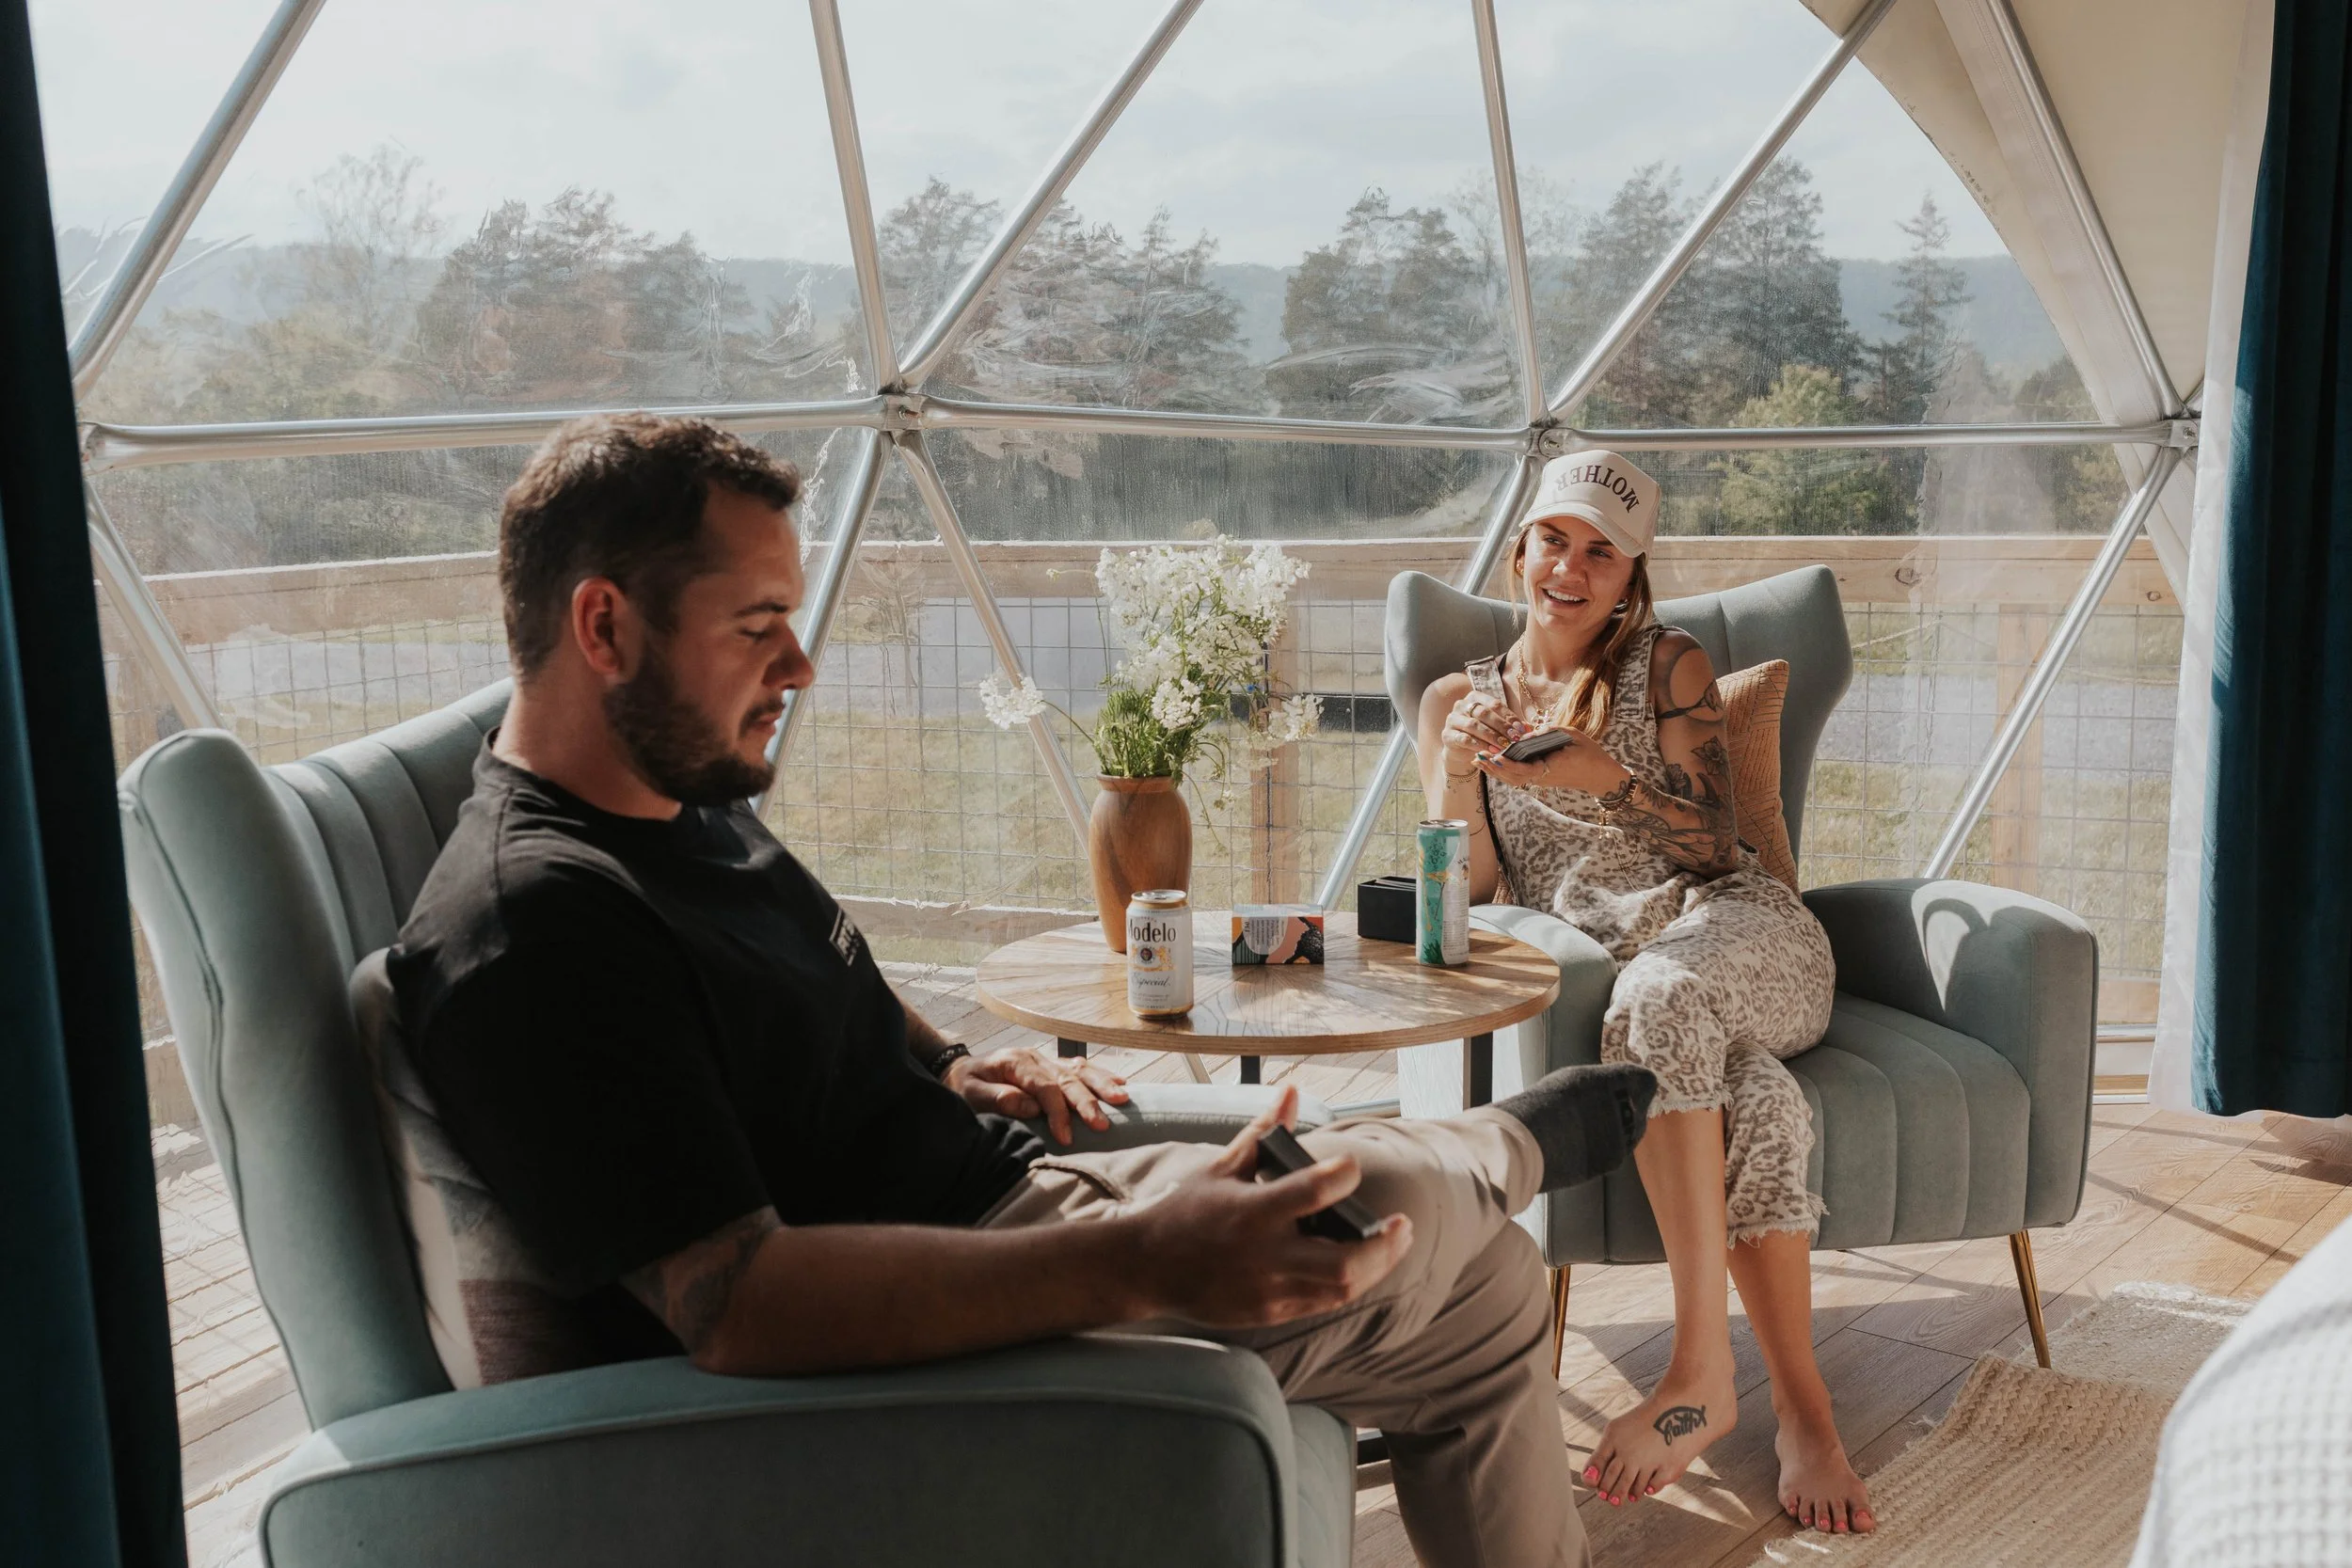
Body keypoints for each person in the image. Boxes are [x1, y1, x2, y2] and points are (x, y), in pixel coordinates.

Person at [388, 412, 1661, 1568]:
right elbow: (735, 1304)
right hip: (945, 1327)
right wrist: (1139, 1260)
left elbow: (816, 979)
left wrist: (947, 1059)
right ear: (604, 626)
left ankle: (1475, 1161)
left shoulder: (677, 804)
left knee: (1487, 1289)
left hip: (1009, 1194)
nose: (801, 663)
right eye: (755, 622)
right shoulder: (534, 925)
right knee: (1374, 1190)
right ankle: (1499, 1139)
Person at [1414, 450, 1872, 1535]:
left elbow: (1722, 842)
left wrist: (1598, 775)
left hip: (1748, 937)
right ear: (1520, 547)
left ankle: (1697, 1372)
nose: (1570, 569)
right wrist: (1455, 771)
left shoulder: (1666, 665)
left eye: (1601, 553)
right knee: (1754, 1103)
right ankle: (1805, 1413)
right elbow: (1470, 888)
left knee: (1661, 995)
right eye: (1555, 541)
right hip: (1644, 994)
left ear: (1631, 575)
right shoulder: (1454, 698)